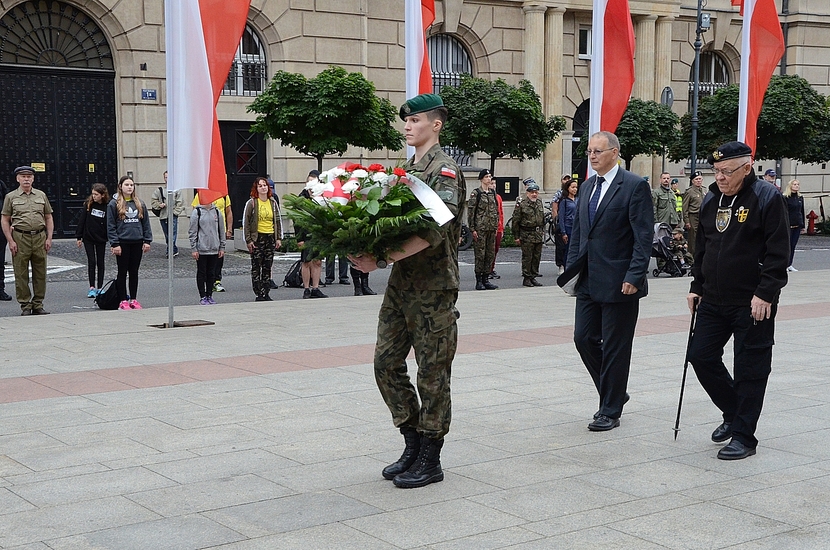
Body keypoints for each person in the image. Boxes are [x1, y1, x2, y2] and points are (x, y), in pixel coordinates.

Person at [350, 93, 465, 489]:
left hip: (434, 288)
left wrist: (380, 261)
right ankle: (412, 439)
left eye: (415, 120)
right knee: (385, 364)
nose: (408, 125)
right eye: (406, 120)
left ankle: (431, 457)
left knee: (432, 373)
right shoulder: (402, 172)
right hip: (402, 286)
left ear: (436, 124)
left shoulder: (444, 171)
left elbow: (434, 231)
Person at [687, 141, 789, 460]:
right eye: (716, 171)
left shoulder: (766, 198)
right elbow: (702, 247)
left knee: (750, 368)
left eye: (726, 171)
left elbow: (778, 252)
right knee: (700, 355)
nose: (720, 177)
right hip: (714, 299)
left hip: (752, 301)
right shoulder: (712, 200)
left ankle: (744, 436)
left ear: (747, 168)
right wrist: (696, 285)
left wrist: (766, 292)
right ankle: (732, 411)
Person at [560, 131, 653, 431]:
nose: (592, 156)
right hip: (588, 277)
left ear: (615, 153)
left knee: (615, 345)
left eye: (598, 151)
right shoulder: (587, 187)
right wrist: (572, 270)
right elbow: (579, 233)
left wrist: (634, 275)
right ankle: (615, 391)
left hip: (620, 280)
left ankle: (609, 409)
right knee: (583, 338)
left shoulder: (634, 186)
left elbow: (643, 237)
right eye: (589, 151)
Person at [1, 166, 54, 315]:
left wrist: (49, 238)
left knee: (40, 273)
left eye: (29, 176)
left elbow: (48, 217)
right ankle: (25, 305)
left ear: (33, 179)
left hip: (39, 237)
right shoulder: (11, 197)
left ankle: (38, 304)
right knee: (21, 273)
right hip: (20, 237)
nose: (26, 179)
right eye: (23, 176)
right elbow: (5, 220)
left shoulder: (41, 195)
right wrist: (10, 241)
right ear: (17, 178)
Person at [107, 176, 152, 310]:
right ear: (120, 186)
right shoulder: (113, 204)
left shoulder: (139, 203)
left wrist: (147, 240)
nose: (129, 187)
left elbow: (146, 223)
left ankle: (133, 298)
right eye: (126, 184)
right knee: (122, 272)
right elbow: (110, 225)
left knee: (134, 272)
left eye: (131, 185)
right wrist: (114, 244)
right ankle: (122, 300)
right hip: (122, 242)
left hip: (137, 241)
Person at [243, 177, 283, 301]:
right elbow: (246, 222)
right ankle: (258, 292)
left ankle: (266, 291)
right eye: (260, 186)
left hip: (270, 237)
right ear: (256, 189)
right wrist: (249, 240)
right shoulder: (252, 203)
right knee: (256, 266)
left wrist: (278, 238)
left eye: (265, 185)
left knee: (267, 266)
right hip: (257, 237)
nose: (263, 188)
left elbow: (277, 220)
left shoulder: (273, 203)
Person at [192, 192, 233, 292]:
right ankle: (206, 283)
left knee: (219, 259)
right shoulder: (200, 195)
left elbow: (228, 212)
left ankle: (217, 280)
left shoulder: (223, 195)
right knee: (204, 264)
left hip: (218, 231)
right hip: (204, 235)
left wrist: (229, 229)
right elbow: (195, 214)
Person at [75, 183, 110, 298]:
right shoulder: (89, 204)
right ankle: (91, 287)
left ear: (102, 195)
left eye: (96, 194)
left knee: (101, 262)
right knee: (92, 261)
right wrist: (79, 237)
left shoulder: (108, 206)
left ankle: (100, 287)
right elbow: (82, 220)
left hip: (101, 237)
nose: (94, 196)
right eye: (93, 194)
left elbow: (110, 222)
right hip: (88, 237)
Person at [189, 195, 226, 305]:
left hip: (214, 248)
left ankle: (209, 294)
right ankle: (202, 296)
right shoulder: (197, 212)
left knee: (211, 273)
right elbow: (193, 231)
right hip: (202, 248)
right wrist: (194, 248)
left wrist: (222, 247)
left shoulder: (217, 212)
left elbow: (221, 230)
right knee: (202, 272)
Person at [297, 171, 327, 299]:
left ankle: (315, 288)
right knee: (306, 262)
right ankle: (306, 288)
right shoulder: (301, 198)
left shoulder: (322, 198)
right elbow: (297, 220)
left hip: (318, 235)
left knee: (318, 261)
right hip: (305, 235)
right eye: (309, 181)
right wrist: (299, 238)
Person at [468, 169, 499, 290]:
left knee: (489, 254)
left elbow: (495, 211)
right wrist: (472, 228)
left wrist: (496, 226)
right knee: (480, 254)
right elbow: (471, 212)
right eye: (486, 176)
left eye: (490, 176)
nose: (489, 179)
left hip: (491, 228)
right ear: (481, 179)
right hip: (480, 228)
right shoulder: (476, 193)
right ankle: (479, 280)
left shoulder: (492, 193)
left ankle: (486, 278)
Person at [511, 179, 545, 287]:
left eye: (536, 192)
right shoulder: (522, 204)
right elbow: (516, 220)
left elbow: (542, 218)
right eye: (532, 192)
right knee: (527, 257)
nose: (534, 194)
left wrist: (542, 230)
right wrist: (516, 236)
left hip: (538, 234)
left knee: (536, 257)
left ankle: (533, 276)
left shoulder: (539, 202)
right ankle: (526, 277)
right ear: (528, 193)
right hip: (526, 234)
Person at [151, 171, 185, 256]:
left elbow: (180, 202)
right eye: (166, 177)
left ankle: (170, 251)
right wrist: (159, 205)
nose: (167, 179)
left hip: (172, 215)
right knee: (167, 234)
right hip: (163, 215)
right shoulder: (160, 190)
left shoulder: (177, 190)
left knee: (172, 234)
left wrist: (175, 213)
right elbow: (153, 201)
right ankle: (174, 249)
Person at [783, 179, 805, 272]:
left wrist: (803, 225)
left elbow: (802, 211)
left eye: (798, 184)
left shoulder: (800, 197)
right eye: (794, 184)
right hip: (788, 225)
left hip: (797, 224)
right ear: (790, 186)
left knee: (793, 245)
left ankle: (790, 264)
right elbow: (783, 212)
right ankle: (784, 264)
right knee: (786, 246)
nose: (796, 186)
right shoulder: (785, 197)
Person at [683, 171, 706, 258]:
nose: (699, 181)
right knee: (693, 238)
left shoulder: (704, 190)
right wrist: (686, 221)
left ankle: (700, 255)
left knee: (702, 236)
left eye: (700, 179)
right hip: (693, 216)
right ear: (693, 181)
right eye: (696, 179)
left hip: (702, 216)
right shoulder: (689, 192)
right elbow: (685, 207)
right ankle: (692, 257)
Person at [557, 177, 578, 268]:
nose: (575, 189)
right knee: (568, 250)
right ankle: (566, 268)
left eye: (576, 187)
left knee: (576, 250)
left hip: (576, 227)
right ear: (568, 188)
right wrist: (563, 232)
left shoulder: (578, 199)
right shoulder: (564, 201)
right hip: (568, 227)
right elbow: (561, 217)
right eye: (573, 187)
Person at [489, 174, 504, 279]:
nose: (493, 185)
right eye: (491, 183)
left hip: (498, 228)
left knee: (495, 249)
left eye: (494, 183)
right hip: (488, 228)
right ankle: (486, 270)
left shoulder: (498, 197)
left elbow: (501, 214)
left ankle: (491, 268)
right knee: (488, 250)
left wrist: (501, 228)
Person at [0, 177, 12, 301]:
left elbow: (7, 203)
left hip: (0, 226)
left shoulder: (1, 183)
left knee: (0, 261)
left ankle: (0, 289)